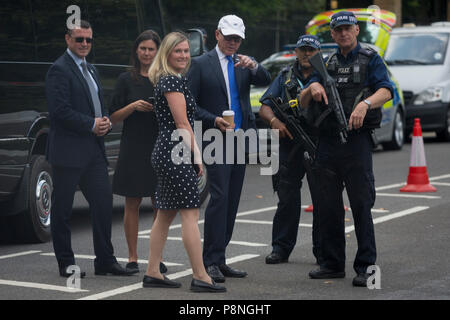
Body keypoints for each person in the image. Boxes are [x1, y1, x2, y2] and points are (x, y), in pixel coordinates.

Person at [299, 11, 393, 287]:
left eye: (347, 29)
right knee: (328, 207)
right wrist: (313, 85)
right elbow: (303, 100)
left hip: (357, 142)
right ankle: (331, 264)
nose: (343, 34)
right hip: (327, 143)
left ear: (356, 30)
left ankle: (367, 269)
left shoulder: (370, 58)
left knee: (362, 206)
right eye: (338, 30)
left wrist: (365, 104)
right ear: (332, 34)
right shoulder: (325, 62)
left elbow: (386, 91)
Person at [45, 20, 133, 277]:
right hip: (68, 152)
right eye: (79, 39)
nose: (84, 44)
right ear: (67, 39)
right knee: (62, 211)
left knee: (103, 205)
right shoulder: (58, 70)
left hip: (94, 150)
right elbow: (59, 111)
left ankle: (105, 260)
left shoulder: (91, 69)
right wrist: (91, 124)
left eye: (88, 40)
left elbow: (96, 104)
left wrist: (104, 119)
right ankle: (66, 264)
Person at [187, 14, 271, 283]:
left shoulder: (244, 63)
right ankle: (209, 260)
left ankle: (220, 258)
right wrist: (213, 120)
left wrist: (254, 65)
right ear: (217, 35)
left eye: (238, 38)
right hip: (214, 138)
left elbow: (266, 77)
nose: (233, 42)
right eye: (229, 37)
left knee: (233, 199)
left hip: (240, 138)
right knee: (220, 196)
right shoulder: (200, 64)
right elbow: (190, 105)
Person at [143, 32, 225, 293]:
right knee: (190, 213)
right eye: (177, 51)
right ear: (166, 54)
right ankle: (201, 275)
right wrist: (197, 157)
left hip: (168, 149)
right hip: (175, 150)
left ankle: (153, 272)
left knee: (165, 214)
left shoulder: (171, 79)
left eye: (186, 51)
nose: (183, 55)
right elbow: (182, 123)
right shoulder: (171, 81)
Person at [259, 35, 322, 265]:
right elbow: (265, 107)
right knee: (286, 198)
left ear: (318, 52)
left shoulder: (325, 75)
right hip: (288, 143)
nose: (307, 54)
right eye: (303, 50)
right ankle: (281, 248)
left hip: (317, 141)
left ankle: (323, 252)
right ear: (296, 52)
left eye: (311, 50)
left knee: (322, 199)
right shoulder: (285, 75)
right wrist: (275, 122)